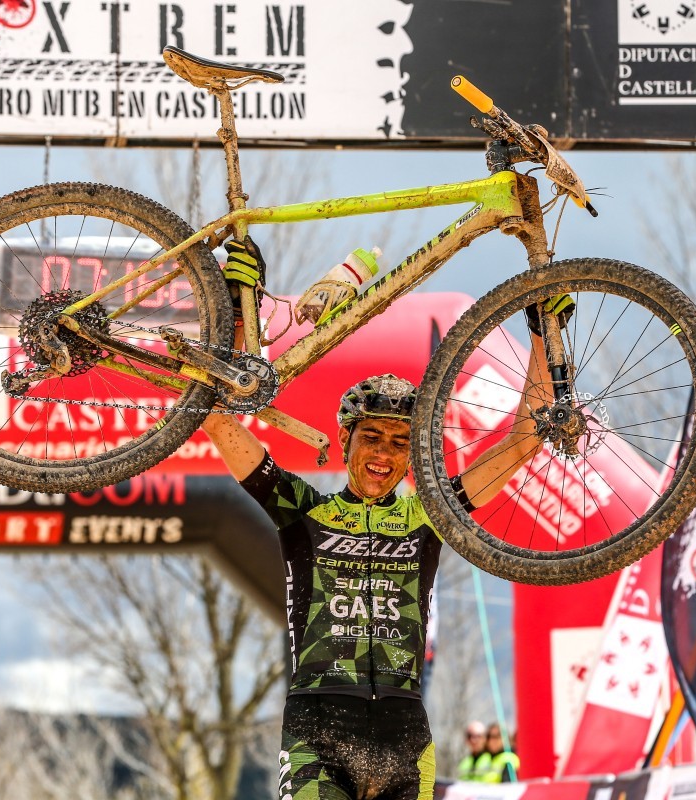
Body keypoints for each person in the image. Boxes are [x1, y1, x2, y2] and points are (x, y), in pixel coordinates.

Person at [203, 239, 558, 800]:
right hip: (317, 730)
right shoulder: (306, 510)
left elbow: (525, 438)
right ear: (346, 440)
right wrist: (233, 312)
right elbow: (220, 421)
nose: (383, 452)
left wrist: (544, 331)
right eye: (371, 435)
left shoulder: (429, 512)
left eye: (398, 441)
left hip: (404, 735)